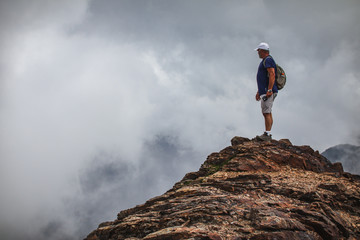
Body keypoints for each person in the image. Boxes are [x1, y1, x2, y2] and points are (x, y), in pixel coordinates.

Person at [254, 42, 278, 141]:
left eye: (258, 50)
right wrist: (259, 91)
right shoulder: (266, 60)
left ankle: (267, 134)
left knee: (266, 112)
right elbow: (263, 77)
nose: (258, 52)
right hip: (264, 90)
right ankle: (268, 133)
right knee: (267, 112)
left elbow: (272, 74)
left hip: (268, 91)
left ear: (263, 51)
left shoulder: (268, 60)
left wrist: (269, 89)